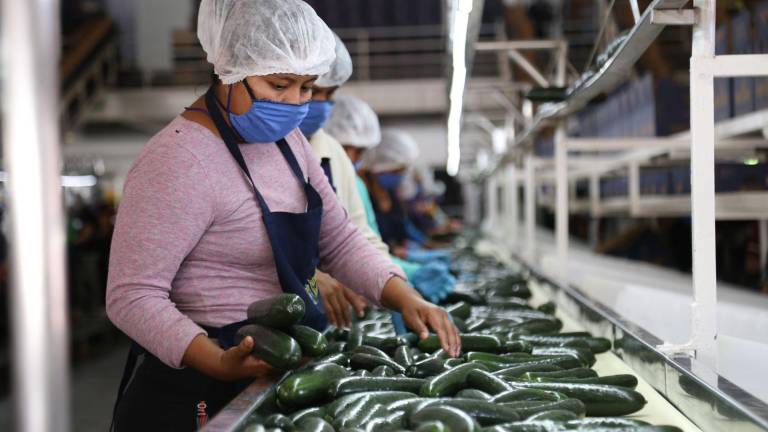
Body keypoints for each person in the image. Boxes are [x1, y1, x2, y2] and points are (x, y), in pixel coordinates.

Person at [105, 1, 460, 430]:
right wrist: (216, 361)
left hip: (277, 366)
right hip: (196, 383)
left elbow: (339, 239)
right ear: (228, 71)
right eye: (279, 84)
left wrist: (403, 295)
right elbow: (132, 297)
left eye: (306, 87)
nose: (295, 104)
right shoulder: (179, 160)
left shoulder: (288, 143)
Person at [325, 105, 455, 304]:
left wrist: (400, 268)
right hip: (342, 287)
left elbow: (367, 242)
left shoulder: (358, 186)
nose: (399, 177)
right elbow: (340, 248)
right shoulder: (337, 183)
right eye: (395, 171)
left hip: (362, 283)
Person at [299, 34, 386, 328]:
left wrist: (391, 282)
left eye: (329, 94)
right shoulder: (258, 150)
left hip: (326, 319)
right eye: (312, 90)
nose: (321, 103)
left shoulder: (330, 152)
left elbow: (356, 235)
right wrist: (307, 278)